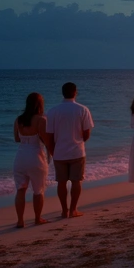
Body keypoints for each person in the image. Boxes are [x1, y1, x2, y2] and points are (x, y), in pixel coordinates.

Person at [44, 82, 94, 219]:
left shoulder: (52, 111)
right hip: (77, 151)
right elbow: (87, 133)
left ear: (62, 93)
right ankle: (73, 210)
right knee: (76, 181)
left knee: (61, 182)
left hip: (60, 152)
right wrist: (79, 141)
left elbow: (49, 136)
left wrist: (53, 151)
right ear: (75, 92)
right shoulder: (82, 109)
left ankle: (64, 210)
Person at [13, 92, 49, 227]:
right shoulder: (41, 120)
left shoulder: (18, 120)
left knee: (20, 190)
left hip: (20, 157)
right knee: (38, 190)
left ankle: (20, 221)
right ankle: (37, 218)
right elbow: (46, 140)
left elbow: (17, 139)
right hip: (36, 157)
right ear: (40, 105)